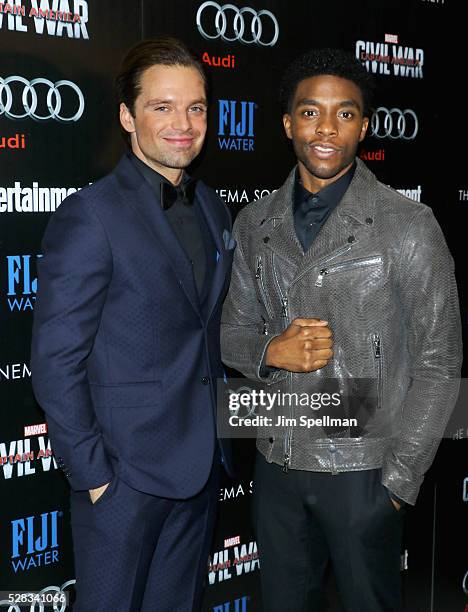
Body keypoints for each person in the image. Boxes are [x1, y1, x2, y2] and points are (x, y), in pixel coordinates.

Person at [221, 47, 461, 611]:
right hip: (278, 464)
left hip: (365, 472)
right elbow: (231, 332)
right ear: (287, 123)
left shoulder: (408, 225)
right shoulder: (256, 222)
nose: (326, 128)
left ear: (364, 126)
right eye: (310, 112)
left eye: (345, 113)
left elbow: (439, 363)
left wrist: (398, 483)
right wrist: (269, 351)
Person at [31, 37, 234, 612]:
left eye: (195, 107)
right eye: (161, 107)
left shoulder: (214, 206)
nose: (183, 124)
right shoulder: (90, 215)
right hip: (123, 478)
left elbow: (206, 331)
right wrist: (95, 476)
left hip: (199, 468)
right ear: (127, 116)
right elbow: (56, 359)